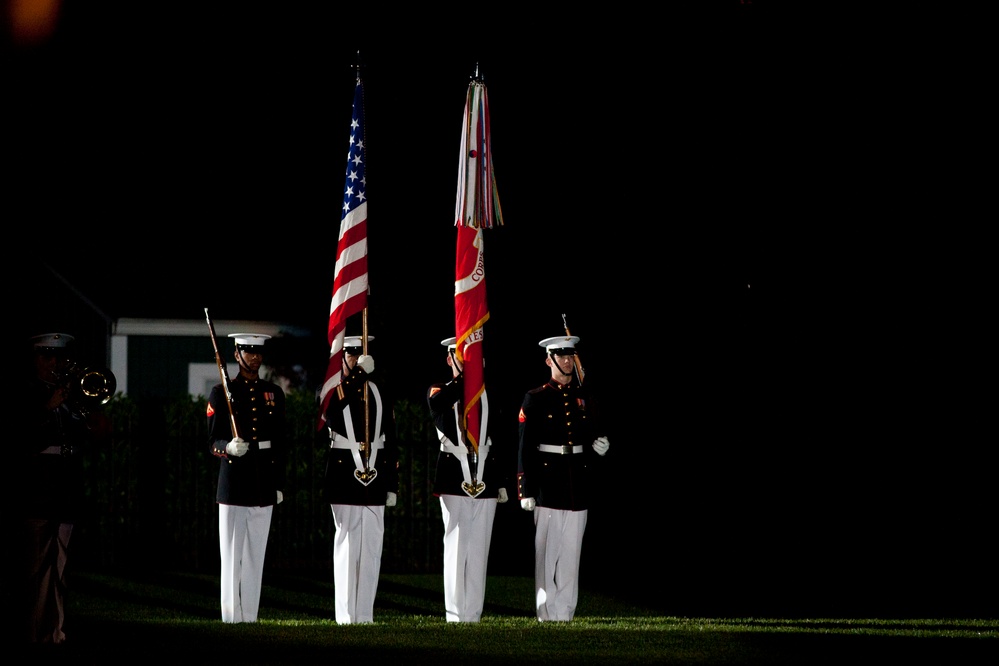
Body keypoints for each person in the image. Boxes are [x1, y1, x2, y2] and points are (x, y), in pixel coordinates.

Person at [21, 332, 111, 645]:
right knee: (34, 568)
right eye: (47, 357)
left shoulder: (71, 396)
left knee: (59, 569)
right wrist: (48, 406)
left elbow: (95, 435)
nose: (54, 363)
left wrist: (92, 414)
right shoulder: (29, 393)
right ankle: (31, 632)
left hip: (66, 488)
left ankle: (55, 634)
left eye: (59, 357)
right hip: (37, 488)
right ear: (36, 359)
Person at [517, 334, 610, 622]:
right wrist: (525, 489)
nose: (568, 361)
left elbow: (592, 433)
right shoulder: (536, 397)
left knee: (571, 553)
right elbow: (525, 446)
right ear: (549, 360)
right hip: (548, 482)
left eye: (571, 356)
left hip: (577, 482)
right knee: (547, 553)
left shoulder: (584, 397)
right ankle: (546, 611)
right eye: (562, 357)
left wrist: (600, 445)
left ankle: (565, 612)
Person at [427, 336, 509, 622]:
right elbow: (440, 412)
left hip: (485, 473)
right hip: (453, 474)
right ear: (450, 359)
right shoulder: (440, 390)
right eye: (461, 355)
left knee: (478, 548)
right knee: (457, 546)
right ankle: (455, 612)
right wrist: (466, 379)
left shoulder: (490, 391)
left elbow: (497, 437)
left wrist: (500, 481)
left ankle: (473, 613)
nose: (466, 359)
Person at [206, 333, 286, 624]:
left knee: (255, 554)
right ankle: (231, 616)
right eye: (248, 351)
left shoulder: (273, 392)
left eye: (258, 351)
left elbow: (279, 441)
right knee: (231, 555)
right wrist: (226, 447)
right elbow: (212, 439)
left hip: (263, 478)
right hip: (234, 480)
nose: (254, 357)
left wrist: (278, 483)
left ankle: (249, 616)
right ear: (237, 354)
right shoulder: (222, 391)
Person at [322, 334, 398, 624]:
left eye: (360, 354)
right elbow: (330, 413)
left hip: (375, 477)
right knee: (347, 548)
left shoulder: (379, 391)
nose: (356, 359)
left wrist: (392, 483)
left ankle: (365, 615)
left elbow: (390, 439)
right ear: (341, 357)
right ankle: (345, 615)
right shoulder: (333, 389)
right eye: (351, 354)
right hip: (343, 476)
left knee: (371, 550)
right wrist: (356, 377)